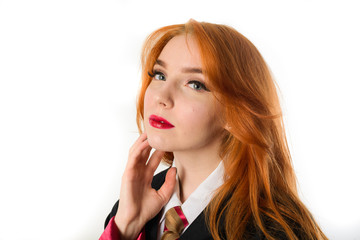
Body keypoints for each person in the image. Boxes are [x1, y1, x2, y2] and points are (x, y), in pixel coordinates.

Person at [100, 19, 328, 240]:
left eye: (195, 84)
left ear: (236, 112)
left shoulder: (274, 231)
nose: (161, 96)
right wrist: (124, 228)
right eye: (160, 75)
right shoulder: (130, 208)